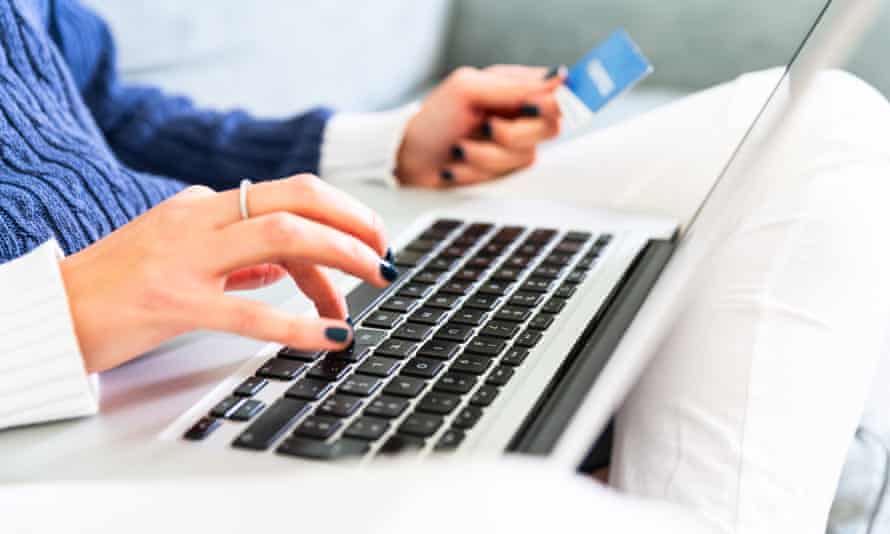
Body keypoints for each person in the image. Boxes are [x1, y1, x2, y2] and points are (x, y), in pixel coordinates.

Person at [4, 2, 890, 534]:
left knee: (820, 137)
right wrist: (60, 315)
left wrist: (383, 144)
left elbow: (100, 110)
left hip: (205, 309)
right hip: (38, 415)